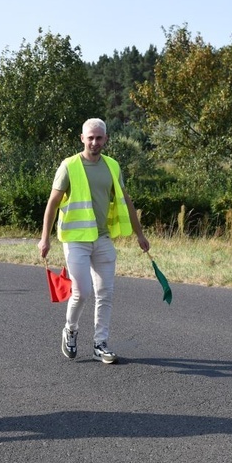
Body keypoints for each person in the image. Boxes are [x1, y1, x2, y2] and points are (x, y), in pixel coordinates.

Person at [38, 118, 149, 364]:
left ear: (106, 139)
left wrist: (140, 234)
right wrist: (44, 238)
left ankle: (100, 344)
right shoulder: (68, 166)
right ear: (82, 138)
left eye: (99, 138)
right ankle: (70, 329)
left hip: (103, 238)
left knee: (105, 293)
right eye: (90, 137)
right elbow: (52, 203)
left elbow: (125, 200)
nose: (94, 142)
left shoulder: (112, 166)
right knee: (82, 291)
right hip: (76, 239)